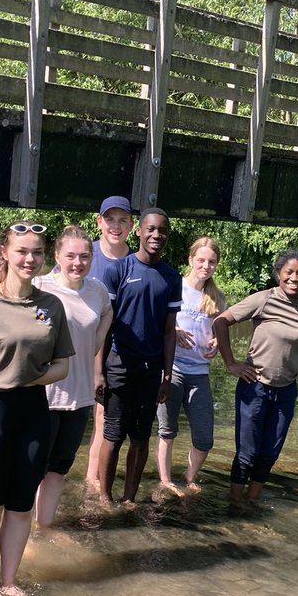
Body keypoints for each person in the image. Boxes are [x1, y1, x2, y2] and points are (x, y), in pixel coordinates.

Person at [0, 220, 74, 596]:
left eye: (37, 252)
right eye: (22, 251)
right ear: (4, 252)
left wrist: (36, 375)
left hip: (34, 412)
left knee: (21, 506)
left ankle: (8, 581)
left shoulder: (51, 306)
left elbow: (63, 366)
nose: (30, 259)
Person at [211, 247, 298, 504]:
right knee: (247, 453)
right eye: (289, 272)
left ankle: (253, 502)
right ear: (278, 273)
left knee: (269, 453)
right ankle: (235, 504)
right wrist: (232, 364)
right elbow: (220, 322)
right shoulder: (264, 299)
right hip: (254, 387)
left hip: (286, 390)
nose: (294, 278)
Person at [98, 208, 182, 505]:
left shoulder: (171, 277)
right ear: (139, 232)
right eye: (151, 229)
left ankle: (129, 499)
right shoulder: (119, 270)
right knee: (113, 434)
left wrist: (167, 375)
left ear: (167, 236)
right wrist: (99, 372)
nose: (156, 235)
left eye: (162, 231)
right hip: (119, 365)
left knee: (141, 437)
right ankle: (105, 499)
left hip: (151, 371)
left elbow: (169, 331)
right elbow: (104, 326)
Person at [33, 225, 112, 528]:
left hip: (79, 398)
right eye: (70, 256)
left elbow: (107, 312)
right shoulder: (40, 286)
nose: (78, 263)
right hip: (44, 396)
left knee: (59, 470)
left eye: (84, 256)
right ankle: (20, 532)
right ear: (56, 256)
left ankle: (44, 529)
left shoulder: (96, 290)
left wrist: (97, 341)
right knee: (34, 470)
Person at [155, 236, 227, 494]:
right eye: (201, 260)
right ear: (191, 260)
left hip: (199, 374)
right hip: (171, 370)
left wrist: (219, 342)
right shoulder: (175, 286)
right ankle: (165, 482)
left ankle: (189, 478)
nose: (206, 266)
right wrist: (173, 330)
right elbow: (156, 323)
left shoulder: (218, 297)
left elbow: (220, 332)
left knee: (205, 437)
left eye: (212, 262)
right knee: (167, 431)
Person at [83, 196, 134, 489]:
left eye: (122, 220)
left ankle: (92, 481)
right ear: (99, 221)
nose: (116, 226)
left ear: (131, 225)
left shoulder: (135, 260)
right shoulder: (83, 254)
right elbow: (50, 291)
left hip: (115, 352)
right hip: (79, 348)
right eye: (110, 219)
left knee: (103, 415)